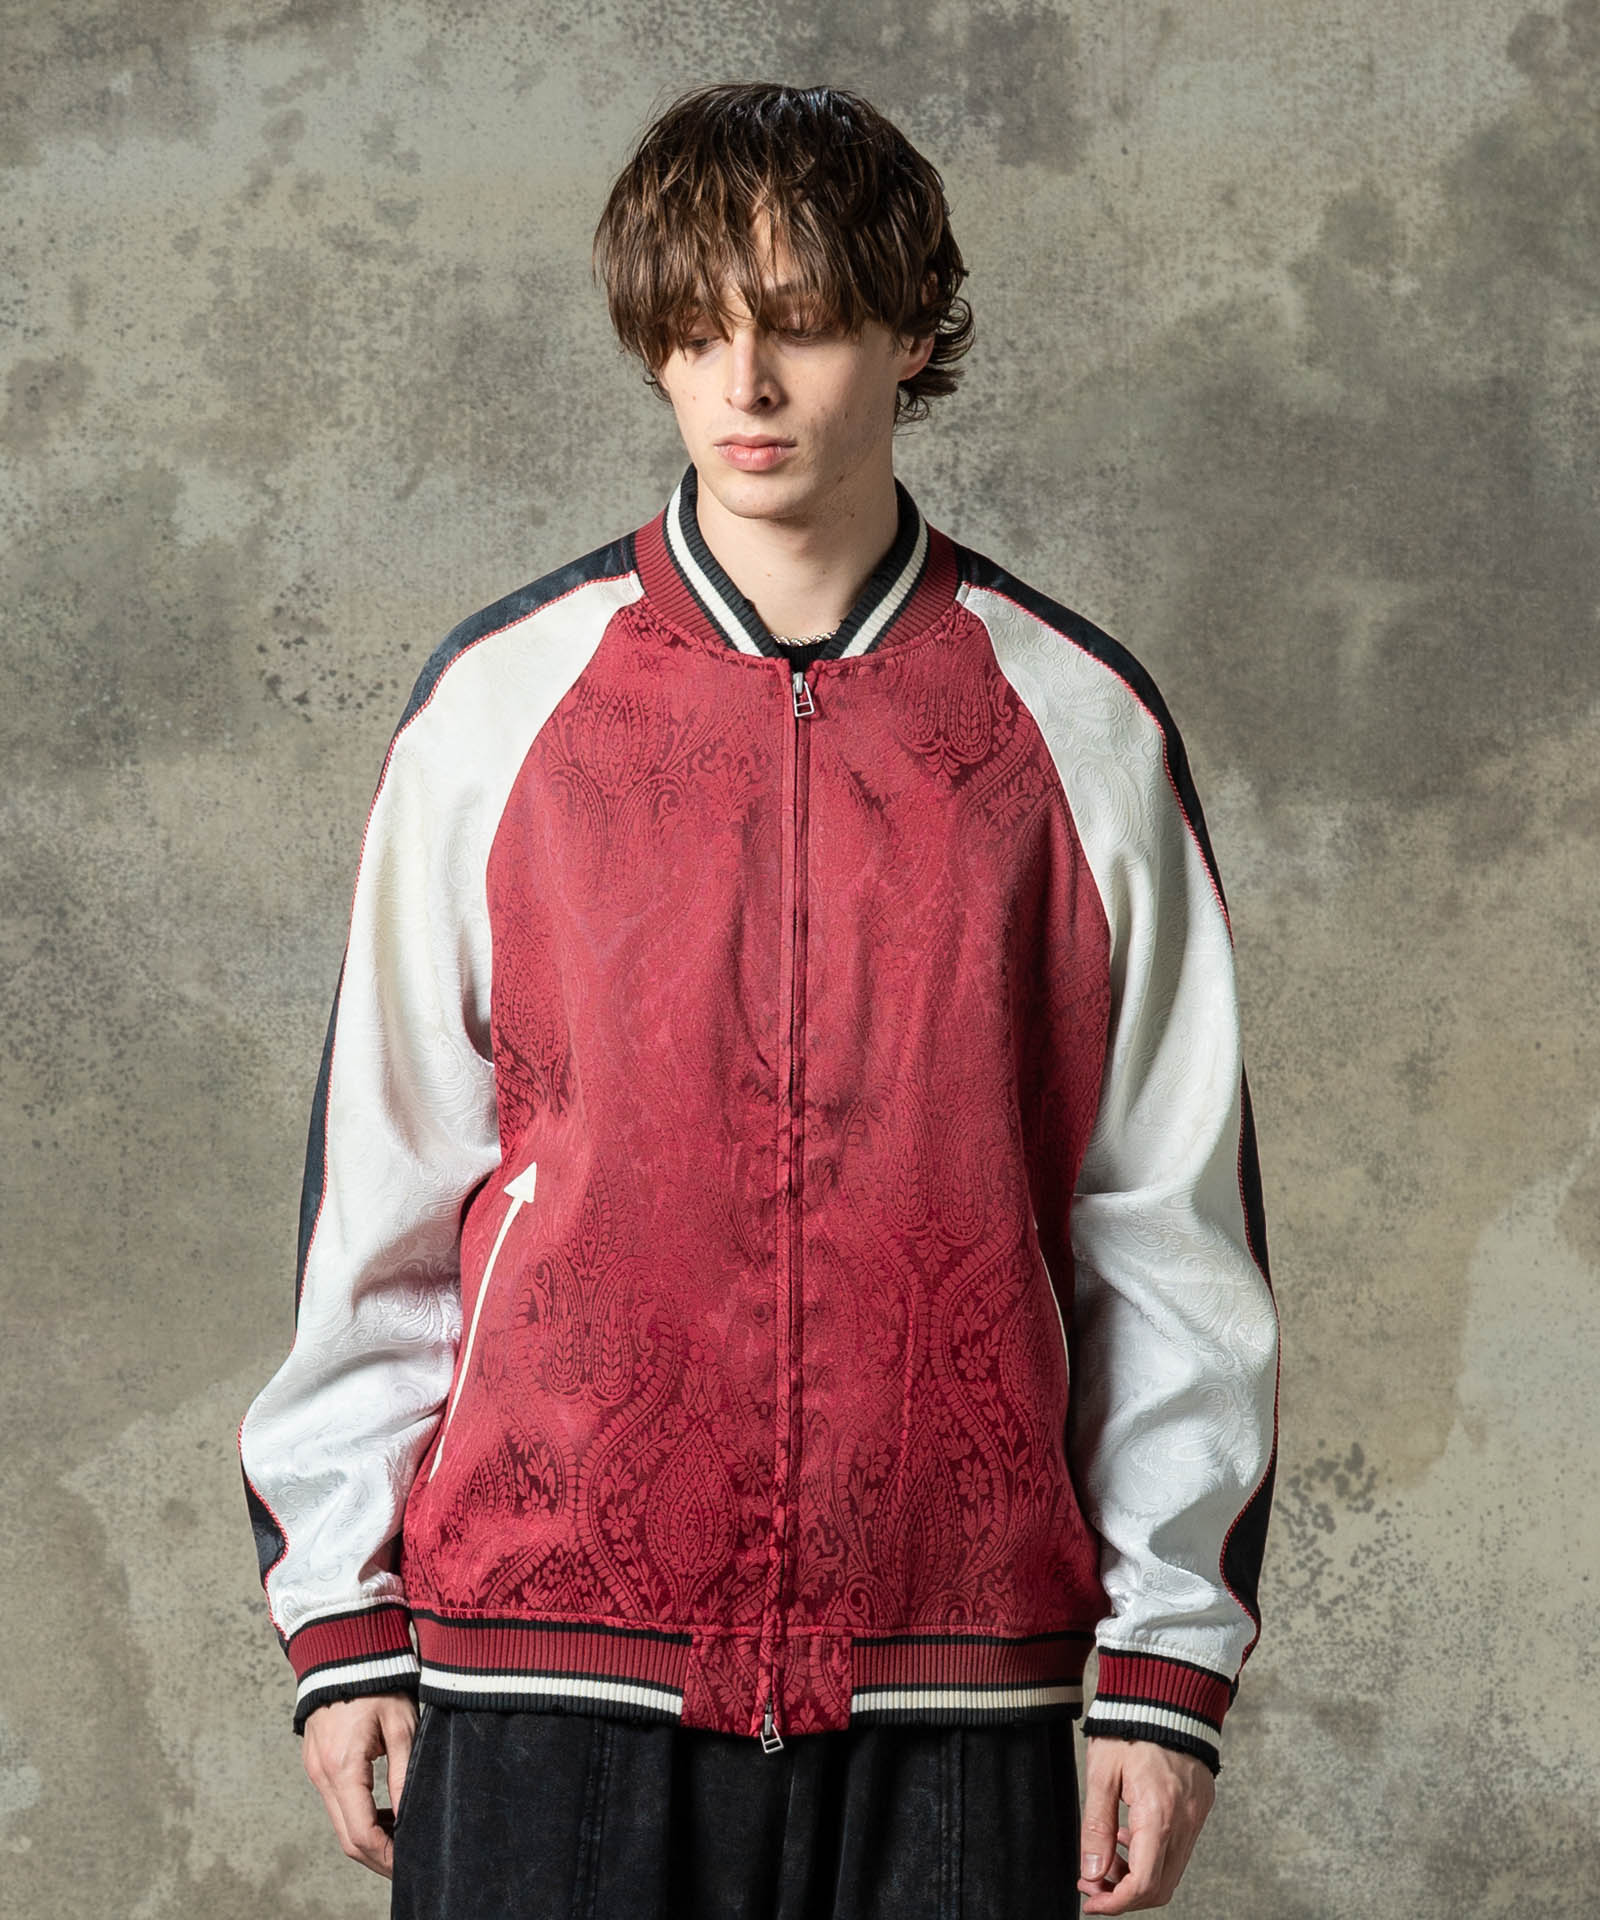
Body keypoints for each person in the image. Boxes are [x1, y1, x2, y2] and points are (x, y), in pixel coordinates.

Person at [238, 80, 1279, 1919]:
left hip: (949, 1677)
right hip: (543, 1660)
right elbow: (385, 1193)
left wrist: (1166, 1661)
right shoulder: (499, 711)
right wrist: (340, 1608)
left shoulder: (1075, 730)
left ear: (915, 331)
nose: (747, 384)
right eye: (698, 329)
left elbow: (1164, 1225)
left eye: (800, 322)